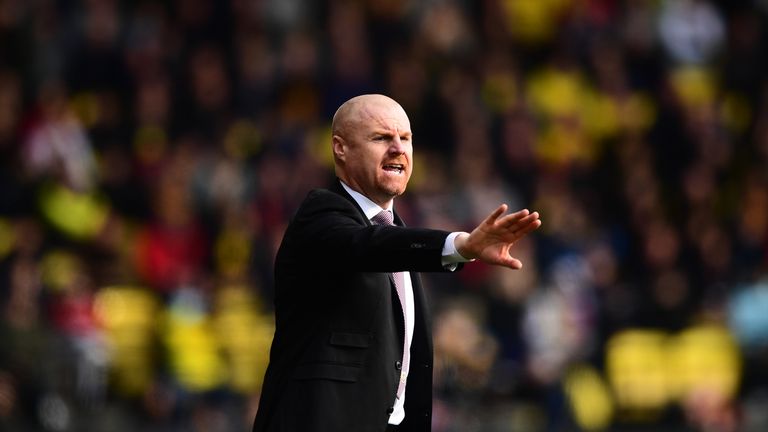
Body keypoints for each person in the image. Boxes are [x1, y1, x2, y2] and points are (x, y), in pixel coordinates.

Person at [252, 94, 541, 432]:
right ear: (340, 148)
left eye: (405, 139)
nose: (398, 148)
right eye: (381, 138)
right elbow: (368, 246)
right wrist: (461, 244)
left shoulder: (396, 234)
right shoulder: (320, 215)